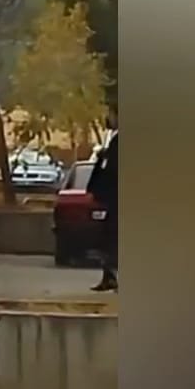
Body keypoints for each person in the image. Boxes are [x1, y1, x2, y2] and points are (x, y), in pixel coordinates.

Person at [86, 111, 119, 292]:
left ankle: (112, 276)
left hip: (117, 196)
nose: (108, 118)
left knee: (113, 238)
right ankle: (109, 276)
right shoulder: (111, 138)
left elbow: (113, 168)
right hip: (109, 197)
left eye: (112, 115)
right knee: (107, 238)